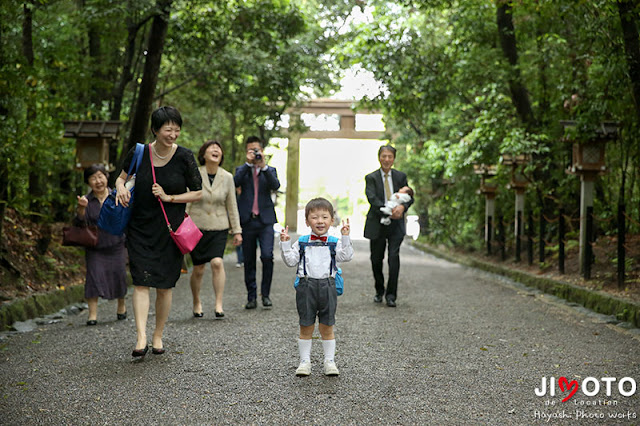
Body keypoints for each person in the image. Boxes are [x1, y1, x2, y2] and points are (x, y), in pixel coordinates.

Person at [115, 106, 202, 357]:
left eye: (176, 129)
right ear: (155, 129)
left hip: (170, 229)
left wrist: (169, 197)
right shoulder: (140, 152)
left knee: (164, 285)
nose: (173, 134)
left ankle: (158, 334)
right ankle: (141, 336)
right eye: (168, 129)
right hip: (140, 228)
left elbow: (197, 192)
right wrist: (121, 187)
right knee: (141, 282)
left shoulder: (185, 156)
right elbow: (121, 178)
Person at [280, 198, 353, 376]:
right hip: (306, 286)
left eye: (324, 217)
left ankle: (330, 361)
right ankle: (305, 362)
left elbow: (347, 255)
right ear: (307, 221)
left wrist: (345, 237)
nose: (320, 221)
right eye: (314, 217)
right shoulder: (302, 242)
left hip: (328, 285)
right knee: (306, 325)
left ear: (332, 220)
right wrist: (285, 243)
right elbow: (290, 261)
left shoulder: (335, 242)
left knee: (327, 325)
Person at [187, 140, 242, 319]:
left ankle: (218, 303)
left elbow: (232, 205)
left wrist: (237, 230)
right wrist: (181, 226)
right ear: (203, 154)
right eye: (211, 148)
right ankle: (197, 301)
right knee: (199, 268)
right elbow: (187, 200)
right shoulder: (195, 174)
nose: (215, 150)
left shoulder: (227, 177)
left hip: (219, 226)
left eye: (218, 148)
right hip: (197, 227)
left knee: (217, 263)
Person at [75, 164, 128, 326]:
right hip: (95, 246)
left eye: (100, 176)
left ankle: (121, 306)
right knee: (93, 276)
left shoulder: (117, 195)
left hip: (117, 243)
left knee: (119, 275)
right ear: (88, 182)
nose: (98, 181)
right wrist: (81, 209)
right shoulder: (86, 200)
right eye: (93, 178)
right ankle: (92, 314)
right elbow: (79, 224)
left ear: (106, 177)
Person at [234, 136, 280, 310]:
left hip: (265, 220)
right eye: (251, 150)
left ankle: (265, 295)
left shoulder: (270, 170)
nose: (254, 153)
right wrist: (248, 165)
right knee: (249, 259)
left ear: (262, 150)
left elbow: (275, 185)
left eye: (257, 150)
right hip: (247, 220)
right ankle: (251, 296)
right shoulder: (242, 170)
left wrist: (264, 167)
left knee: (267, 256)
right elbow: (235, 183)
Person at [364, 145, 413, 307]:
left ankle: (391, 295)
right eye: (384, 156)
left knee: (394, 258)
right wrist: (389, 211)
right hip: (377, 222)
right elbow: (372, 199)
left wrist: (402, 208)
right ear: (379, 157)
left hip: (396, 224)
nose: (386, 159)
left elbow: (409, 197)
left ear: (393, 159)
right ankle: (379, 290)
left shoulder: (401, 177)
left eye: (389, 156)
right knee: (376, 259)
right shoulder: (371, 177)